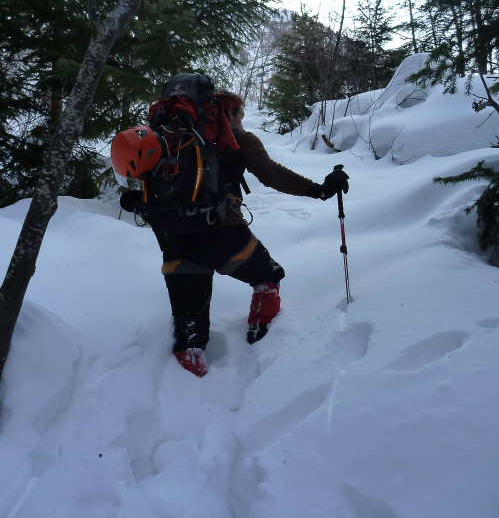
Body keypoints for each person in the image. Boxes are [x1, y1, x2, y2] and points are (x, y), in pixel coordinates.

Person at [121, 90, 349, 377]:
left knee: (189, 328)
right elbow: (270, 173)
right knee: (268, 275)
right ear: (226, 114)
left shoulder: (169, 141)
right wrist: (321, 190)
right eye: (240, 114)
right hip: (224, 237)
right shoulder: (237, 140)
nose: (242, 121)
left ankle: (187, 391)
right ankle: (261, 336)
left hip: (174, 242)